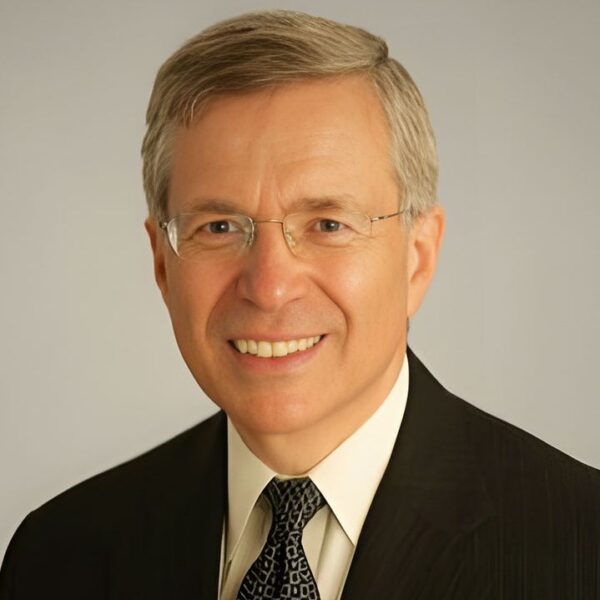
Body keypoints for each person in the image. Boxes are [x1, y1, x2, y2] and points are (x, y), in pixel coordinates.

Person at [1, 9, 599, 600]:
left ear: (417, 257)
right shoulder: (58, 556)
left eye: (328, 224)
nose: (269, 286)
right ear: (162, 262)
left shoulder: (582, 547)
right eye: (219, 227)